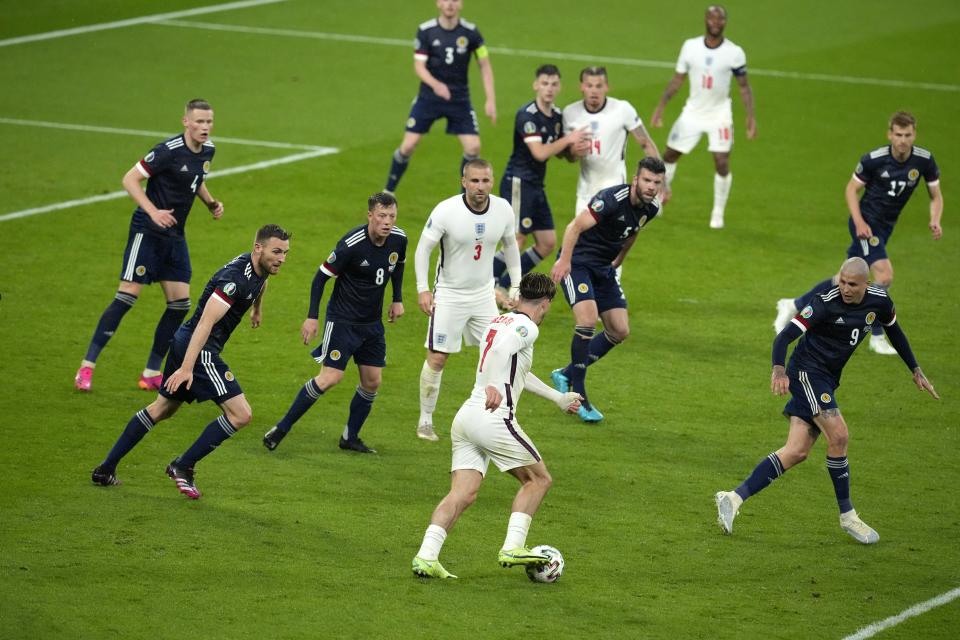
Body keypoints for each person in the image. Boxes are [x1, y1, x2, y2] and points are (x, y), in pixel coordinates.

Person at [716, 258, 939, 544]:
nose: (845, 288)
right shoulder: (824, 302)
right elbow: (785, 336)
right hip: (807, 373)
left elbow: (894, 330)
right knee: (839, 435)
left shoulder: (879, 301)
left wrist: (915, 369)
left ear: (866, 284)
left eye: (852, 284)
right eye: (842, 281)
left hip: (827, 378)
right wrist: (778, 369)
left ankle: (732, 499)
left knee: (796, 451)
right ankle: (848, 516)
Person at [90, 225, 290, 499]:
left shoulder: (258, 267)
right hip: (200, 348)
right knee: (241, 414)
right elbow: (206, 322)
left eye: (285, 253)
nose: (281, 258)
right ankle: (182, 465)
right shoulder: (234, 281)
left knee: (162, 409)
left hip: (185, 341)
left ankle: (106, 468)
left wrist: (257, 308)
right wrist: (187, 367)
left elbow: (261, 282)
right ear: (259, 248)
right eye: (276, 251)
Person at [411, 272, 582, 579]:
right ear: (544, 303)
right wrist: (494, 386)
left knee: (462, 494)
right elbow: (502, 353)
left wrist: (556, 398)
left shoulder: (497, 321)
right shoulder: (527, 326)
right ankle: (513, 546)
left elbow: (516, 369)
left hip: (466, 418)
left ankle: (426, 556)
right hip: (493, 415)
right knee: (538, 480)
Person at [75, 99, 225, 392]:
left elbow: (196, 179)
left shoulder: (208, 151)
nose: (205, 127)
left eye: (209, 122)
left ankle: (151, 372)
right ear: (186, 122)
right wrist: (152, 211)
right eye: (199, 122)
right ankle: (87, 367)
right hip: (147, 232)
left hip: (175, 236)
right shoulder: (166, 151)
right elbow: (130, 179)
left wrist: (210, 203)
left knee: (180, 303)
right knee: (128, 295)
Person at [773, 111, 943, 355]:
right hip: (866, 225)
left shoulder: (924, 161)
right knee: (883, 276)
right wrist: (860, 221)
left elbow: (936, 196)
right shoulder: (874, 159)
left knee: (843, 278)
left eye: (907, 135)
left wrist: (935, 219)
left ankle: (793, 304)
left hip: (885, 228)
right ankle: (876, 336)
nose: (902, 140)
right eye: (898, 134)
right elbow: (851, 190)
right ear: (890, 134)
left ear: (914, 134)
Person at [263, 193, 406, 455]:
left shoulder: (399, 238)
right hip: (343, 321)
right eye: (382, 216)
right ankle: (280, 429)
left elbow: (398, 267)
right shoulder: (351, 244)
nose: (388, 222)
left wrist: (397, 299)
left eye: (392, 216)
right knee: (331, 377)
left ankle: (350, 437)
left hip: (372, 324)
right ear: (370, 216)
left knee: (372, 381)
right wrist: (312, 316)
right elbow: (320, 278)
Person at [550, 157, 665, 422]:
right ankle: (578, 394)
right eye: (647, 180)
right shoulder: (611, 199)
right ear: (636, 179)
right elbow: (575, 226)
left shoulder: (651, 208)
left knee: (619, 330)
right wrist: (564, 261)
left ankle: (565, 373)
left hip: (603, 268)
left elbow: (633, 231)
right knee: (588, 320)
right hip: (578, 263)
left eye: (656, 182)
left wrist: (617, 262)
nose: (651, 187)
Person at [414, 159, 521, 442]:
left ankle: (502, 413)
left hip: (484, 295)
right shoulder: (446, 211)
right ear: (464, 182)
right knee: (438, 357)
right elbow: (423, 249)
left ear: (492, 181)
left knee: (503, 352)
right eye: (474, 181)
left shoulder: (503, 209)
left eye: (485, 181)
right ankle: (425, 421)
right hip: (449, 295)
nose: (480, 187)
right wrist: (423, 289)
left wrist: (516, 285)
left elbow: (511, 247)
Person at [650, 5, 756, 229]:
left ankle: (718, 212)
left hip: (719, 114)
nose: (716, 22)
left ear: (725, 22)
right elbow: (677, 80)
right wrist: (661, 107)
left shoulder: (734, 52)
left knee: (721, 161)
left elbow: (744, 87)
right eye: (712, 17)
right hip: (693, 112)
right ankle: (658, 199)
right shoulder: (690, 47)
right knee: (669, 154)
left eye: (720, 18)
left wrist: (750, 117)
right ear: (706, 20)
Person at [491, 64, 589, 294]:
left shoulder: (556, 116)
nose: (549, 88)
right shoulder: (527, 115)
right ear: (536, 85)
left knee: (547, 242)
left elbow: (564, 155)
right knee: (517, 239)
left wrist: (576, 151)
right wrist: (569, 139)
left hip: (535, 185)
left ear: (559, 87)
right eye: (545, 83)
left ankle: (504, 286)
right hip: (518, 182)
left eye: (554, 84)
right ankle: (490, 282)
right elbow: (540, 152)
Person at [384, 0, 496, 193]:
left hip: (459, 99)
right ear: (438, 3)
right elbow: (419, 66)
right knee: (408, 146)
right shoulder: (426, 31)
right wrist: (436, 85)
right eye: (446, 0)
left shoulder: (471, 33)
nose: (450, 4)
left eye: (454, 0)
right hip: (429, 98)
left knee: (473, 148)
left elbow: (484, 65)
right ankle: (388, 191)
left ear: (460, 4)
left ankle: (463, 199)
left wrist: (490, 99)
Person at [562, 66, 661, 218]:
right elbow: (569, 156)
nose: (594, 91)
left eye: (599, 86)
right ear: (582, 87)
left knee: (612, 240)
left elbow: (646, 143)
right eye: (589, 86)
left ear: (607, 87)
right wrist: (574, 152)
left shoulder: (622, 110)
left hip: (615, 191)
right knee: (580, 238)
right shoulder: (570, 113)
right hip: (585, 192)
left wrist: (662, 182)